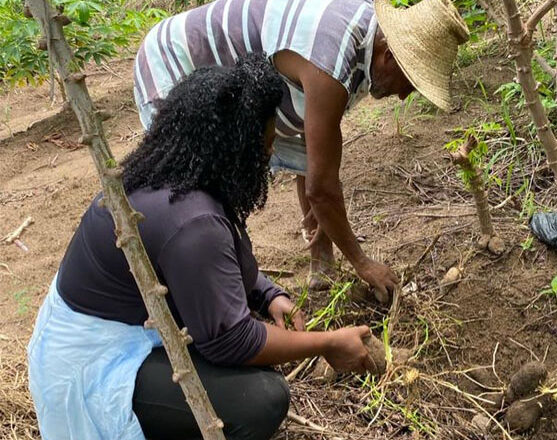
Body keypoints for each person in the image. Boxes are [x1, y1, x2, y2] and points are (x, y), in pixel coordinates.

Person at [27, 55, 379, 440]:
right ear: (234, 149)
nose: (270, 153)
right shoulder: (192, 221)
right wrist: (327, 342)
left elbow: (211, 267)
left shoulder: (172, 176)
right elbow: (232, 342)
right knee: (260, 400)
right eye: (265, 146)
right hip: (92, 368)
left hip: (102, 338)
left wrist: (268, 293)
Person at [133, 0, 469, 298]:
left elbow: (310, 148)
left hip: (226, 67)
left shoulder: (364, 40)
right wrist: (362, 263)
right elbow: (322, 189)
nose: (403, 96)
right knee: (203, 188)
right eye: (409, 82)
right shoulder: (331, 63)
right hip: (176, 61)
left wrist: (328, 232)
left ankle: (320, 266)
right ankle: (217, 295)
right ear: (388, 56)